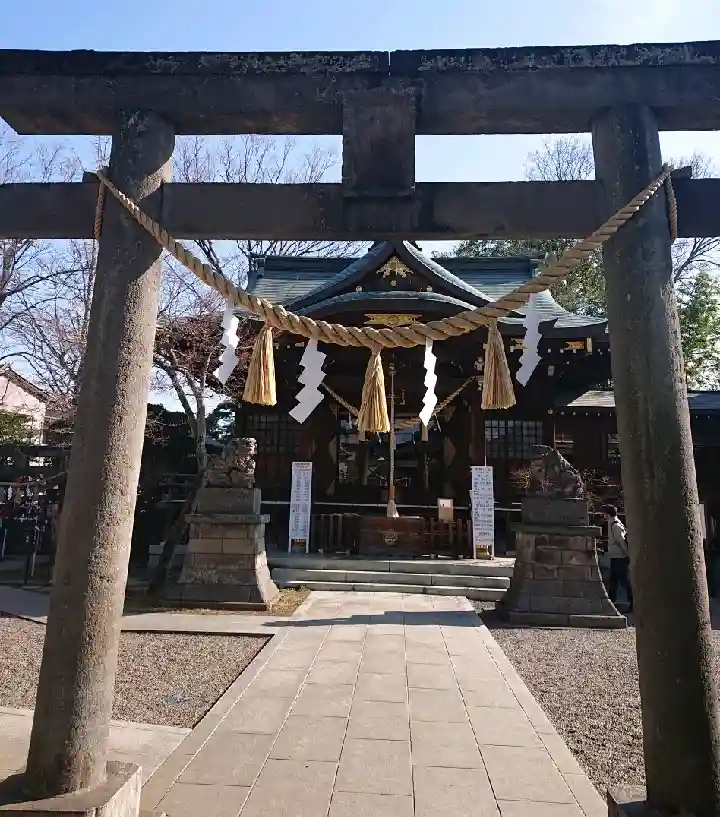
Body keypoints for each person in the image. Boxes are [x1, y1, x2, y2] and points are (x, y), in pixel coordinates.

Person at [600, 504, 633, 612]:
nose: (603, 515)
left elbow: (621, 542)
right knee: (614, 581)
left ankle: (633, 602)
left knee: (623, 581)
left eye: (604, 513)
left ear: (608, 514)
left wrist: (627, 555)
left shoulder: (615, 526)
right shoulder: (612, 524)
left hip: (620, 558)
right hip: (616, 557)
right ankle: (611, 603)